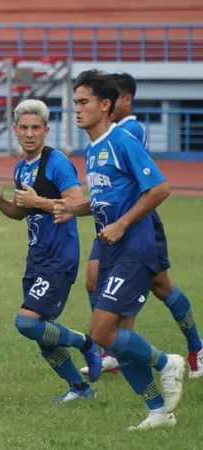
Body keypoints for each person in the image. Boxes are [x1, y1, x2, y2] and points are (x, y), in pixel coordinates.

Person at [54, 70, 184, 430]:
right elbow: (102, 198)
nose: (76, 110)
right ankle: (159, 412)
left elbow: (159, 189)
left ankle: (166, 361)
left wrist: (123, 223)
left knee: (100, 333)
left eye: (83, 102)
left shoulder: (122, 140)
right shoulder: (94, 150)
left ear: (105, 105)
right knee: (122, 341)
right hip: (111, 250)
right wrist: (72, 208)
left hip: (133, 249)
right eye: (75, 103)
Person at [79, 72, 203, 379]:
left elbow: (152, 186)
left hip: (139, 221)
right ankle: (114, 349)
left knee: (161, 286)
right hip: (112, 222)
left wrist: (122, 222)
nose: (83, 108)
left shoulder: (128, 130)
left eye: (88, 101)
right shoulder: (98, 142)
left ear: (121, 101)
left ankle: (195, 347)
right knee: (95, 280)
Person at [0, 99, 102, 401]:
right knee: (42, 333)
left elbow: (77, 202)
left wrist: (39, 202)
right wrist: (0, 202)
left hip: (60, 256)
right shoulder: (21, 167)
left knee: (27, 322)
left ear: (46, 130)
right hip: (36, 257)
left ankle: (87, 344)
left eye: (36, 128)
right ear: (14, 130)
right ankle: (79, 388)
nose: (29, 134)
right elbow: (21, 213)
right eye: (23, 128)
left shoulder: (57, 162)